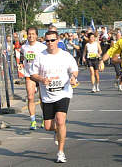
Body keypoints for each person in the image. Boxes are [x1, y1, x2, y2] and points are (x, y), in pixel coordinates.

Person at [30, 31, 78, 163]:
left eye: (52, 40)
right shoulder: (40, 56)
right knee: (48, 126)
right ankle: (57, 131)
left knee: (61, 120)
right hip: (47, 96)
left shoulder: (65, 55)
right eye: (47, 41)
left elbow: (74, 69)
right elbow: (32, 74)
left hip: (63, 93)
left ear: (58, 41)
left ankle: (60, 152)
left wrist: (73, 77)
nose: (50, 43)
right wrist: (41, 79)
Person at [21, 27, 47, 130]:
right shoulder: (24, 47)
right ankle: (33, 121)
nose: (31, 36)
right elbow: (22, 58)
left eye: (33, 34)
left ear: (36, 35)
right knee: (30, 97)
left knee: (42, 98)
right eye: (29, 34)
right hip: (29, 75)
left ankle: (45, 118)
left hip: (40, 75)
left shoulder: (42, 47)